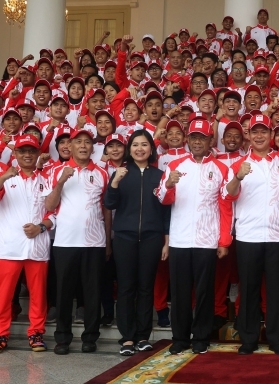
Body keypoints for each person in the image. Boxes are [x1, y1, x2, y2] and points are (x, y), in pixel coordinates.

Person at [156, 119, 234, 355]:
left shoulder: (221, 168)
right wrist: (169, 184)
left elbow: (226, 207)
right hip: (180, 239)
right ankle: (180, 337)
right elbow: (162, 199)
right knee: (179, 292)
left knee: (204, 291)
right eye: (193, 137)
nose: (197, 141)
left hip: (206, 240)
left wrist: (224, 241)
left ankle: (201, 336)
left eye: (202, 137)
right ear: (187, 140)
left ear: (210, 140)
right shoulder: (175, 165)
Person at [226, 114, 279, 355]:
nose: (258, 136)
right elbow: (229, 194)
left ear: (271, 135)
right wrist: (238, 176)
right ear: (248, 135)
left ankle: (277, 338)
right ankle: (249, 339)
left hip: (277, 235)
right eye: (254, 132)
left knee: (276, 290)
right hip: (248, 236)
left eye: (263, 131)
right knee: (249, 290)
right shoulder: (239, 165)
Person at [103, 130, 171, 356]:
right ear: (129, 149)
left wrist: (166, 241)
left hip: (152, 238)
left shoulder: (160, 175)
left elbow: (166, 210)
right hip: (124, 237)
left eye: (144, 145)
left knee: (145, 287)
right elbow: (109, 204)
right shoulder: (120, 173)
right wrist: (114, 182)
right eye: (135, 145)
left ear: (151, 149)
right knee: (125, 287)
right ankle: (127, 338)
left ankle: (143, 336)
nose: (139, 149)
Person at [44, 129, 111, 355]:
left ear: (93, 148)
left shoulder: (102, 173)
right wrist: (62, 181)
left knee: (92, 292)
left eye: (87, 142)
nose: (83, 146)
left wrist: (108, 242)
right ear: (69, 146)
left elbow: (106, 210)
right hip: (65, 242)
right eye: (78, 142)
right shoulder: (55, 171)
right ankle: (62, 338)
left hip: (94, 243)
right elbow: (50, 206)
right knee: (63, 292)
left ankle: (90, 337)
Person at [0, 135, 53, 352]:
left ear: (38, 153)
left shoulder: (47, 179)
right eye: (23, 151)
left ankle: (36, 333)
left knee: (38, 293)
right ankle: (2, 333)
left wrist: (40, 227)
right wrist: (3, 179)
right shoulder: (7, 177)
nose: (28, 155)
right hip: (10, 246)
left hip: (37, 245)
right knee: (4, 295)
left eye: (32, 151)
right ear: (16, 154)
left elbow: (55, 213)